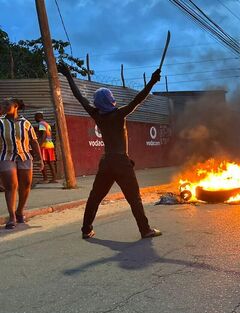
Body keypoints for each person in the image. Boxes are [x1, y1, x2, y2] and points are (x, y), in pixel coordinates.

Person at [57, 63, 162, 239]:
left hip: (106, 163)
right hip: (121, 162)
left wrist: (68, 76)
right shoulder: (119, 114)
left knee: (95, 197)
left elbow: (79, 96)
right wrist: (152, 82)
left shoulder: (96, 114)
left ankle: (86, 230)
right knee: (134, 199)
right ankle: (145, 230)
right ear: (110, 99)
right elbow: (138, 99)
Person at [0, 98, 44, 229]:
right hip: (6, 156)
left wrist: (40, 159)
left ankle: (20, 211)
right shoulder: (0, 122)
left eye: (7, 104)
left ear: (16, 106)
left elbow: (34, 141)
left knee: (26, 185)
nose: (4, 105)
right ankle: (12, 216)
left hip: (24, 156)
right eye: (2, 104)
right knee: (11, 186)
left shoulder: (25, 123)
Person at [34, 112, 59, 183]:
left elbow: (44, 135)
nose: (34, 119)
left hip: (44, 145)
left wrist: (38, 145)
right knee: (50, 162)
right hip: (50, 145)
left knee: (42, 162)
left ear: (38, 117)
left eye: (35, 117)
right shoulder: (47, 124)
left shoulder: (41, 124)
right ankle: (54, 178)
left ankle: (45, 179)